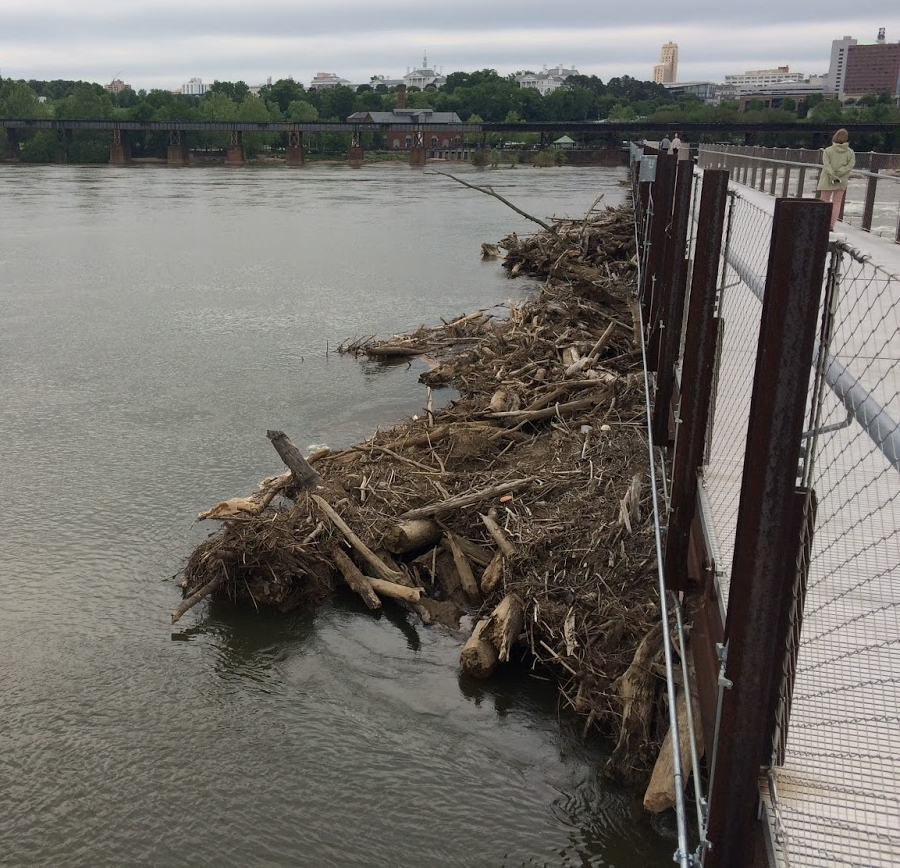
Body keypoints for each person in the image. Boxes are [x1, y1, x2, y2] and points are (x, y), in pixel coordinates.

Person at [816, 128, 855, 231]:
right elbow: (850, 166)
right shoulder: (850, 152)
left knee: (824, 201)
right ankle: (831, 225)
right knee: (837, 202)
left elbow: (826, 164)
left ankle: (822, 223)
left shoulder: (828, 150)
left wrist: (832, 174)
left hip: (827, 178)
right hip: (841, 180)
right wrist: (839, 173)